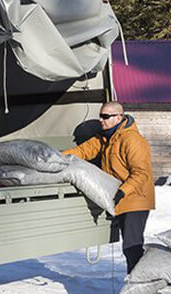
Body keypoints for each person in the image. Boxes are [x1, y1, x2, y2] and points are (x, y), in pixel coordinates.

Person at [63, 102, 155, 279]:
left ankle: (137, 286)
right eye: (100, 115)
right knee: (128, 246)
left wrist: (123, 191)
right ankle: (135, 284)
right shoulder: (104, 138)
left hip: (135, 198)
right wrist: (55, 157)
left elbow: (142, 172)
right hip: (118, 196)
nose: (101, 120)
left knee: (132, 246)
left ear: (119, 117)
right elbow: (82, 151)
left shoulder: (133, 140)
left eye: (105, 116)